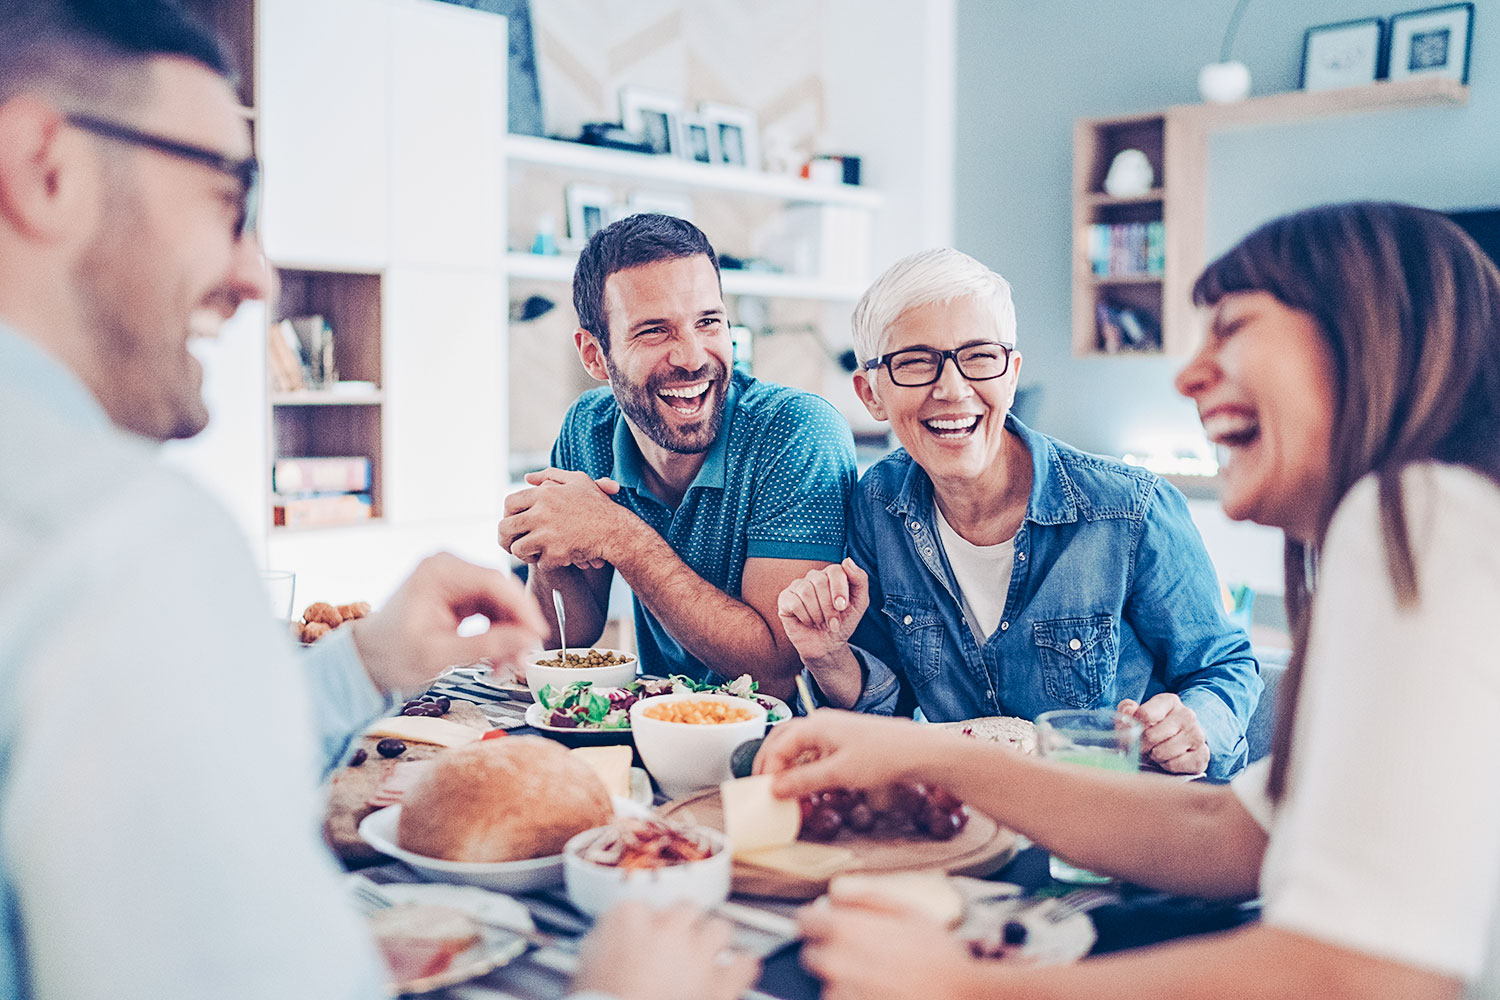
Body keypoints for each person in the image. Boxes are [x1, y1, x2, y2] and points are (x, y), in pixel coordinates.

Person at [0, 4, 755, 999]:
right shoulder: (125, 542)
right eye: (230, 194)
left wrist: (361, 666)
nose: (254, 273)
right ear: (45, 169)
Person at [757, 202, 1500, 1000]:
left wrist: (959, 988)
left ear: (1365, 337)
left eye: (1233, 327)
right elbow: (1229, 834)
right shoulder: (1408, 524)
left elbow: (1370, 976)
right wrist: (922, 754)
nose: (1187, 375)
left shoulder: (1428, 517)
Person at [776, 248, 1260, 779]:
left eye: (980, 356)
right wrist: (827, 655)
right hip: (969, 824)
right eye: (915, 362)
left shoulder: (1130, 509)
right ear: (871, 394)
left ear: (1010, 374)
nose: (953, 389)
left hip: (1110, 826)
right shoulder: (877, 506)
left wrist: (1194, 728)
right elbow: (887, 708)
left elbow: (1225, 667)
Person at [499, 212, 857, 701]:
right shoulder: (589, 427)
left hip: (790, 748)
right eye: (653, 331)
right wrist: (548, 534)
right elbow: (563, 640)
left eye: (709, 322)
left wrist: (619, 535)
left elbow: (777, 674)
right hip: (662, 727)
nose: (692, 356)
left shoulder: (796, 433)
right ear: (594, 356)